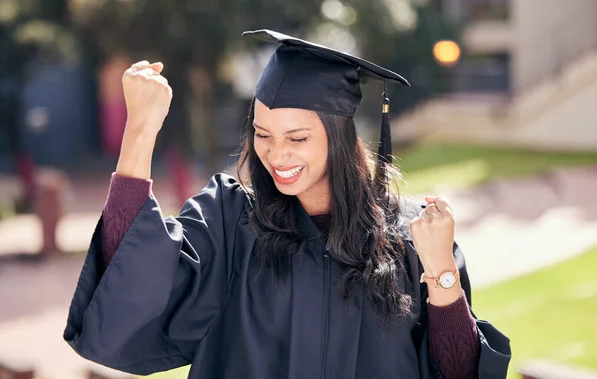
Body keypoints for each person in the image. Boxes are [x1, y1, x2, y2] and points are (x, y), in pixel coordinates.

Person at [64, 30, 511, 379]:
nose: (277, 156)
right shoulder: (231, 222)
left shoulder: (410, 235)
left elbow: (459, 372)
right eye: (263, 135)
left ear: (337, 138)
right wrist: (140, 132)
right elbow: (130, 289)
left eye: (297, 138)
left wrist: (440, 271)